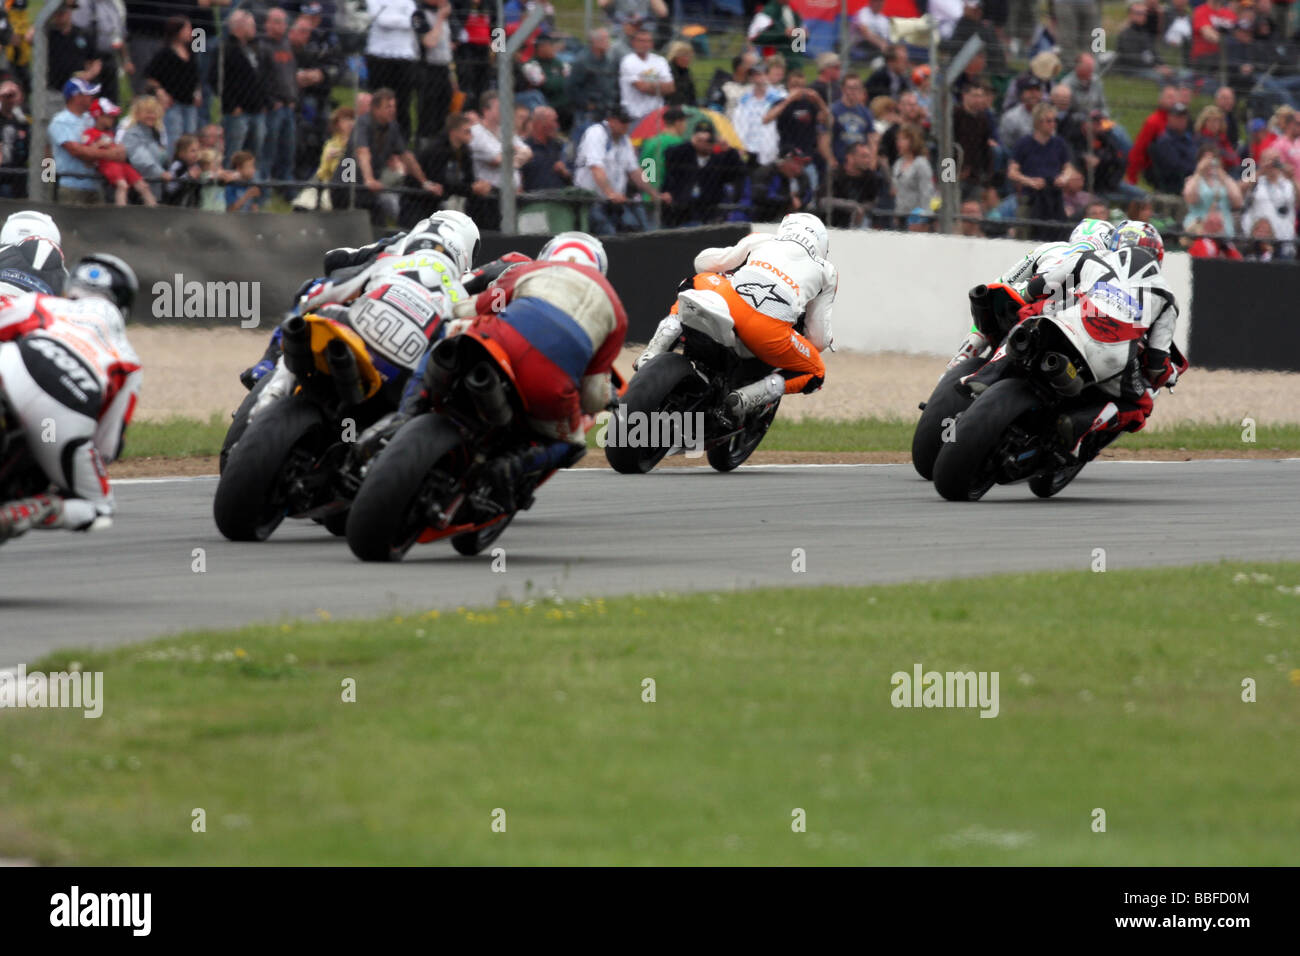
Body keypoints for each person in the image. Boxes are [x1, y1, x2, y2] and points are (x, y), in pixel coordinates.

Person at [427, 235, 627, 508]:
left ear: (548, 253)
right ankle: (513, 466)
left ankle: (407, 412)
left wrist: (448, 315)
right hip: (548, 381)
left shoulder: (526, 268)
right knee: (574, 442)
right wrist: (602, 398)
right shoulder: (615, 309)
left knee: (447, 337)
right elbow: (592, 394)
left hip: (497, 343)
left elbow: (475, 308)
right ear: (599, 268)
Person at [635, 213, 836, 421]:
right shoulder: (827, 271)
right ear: (821, 245)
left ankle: (653, 350)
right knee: (816, 372)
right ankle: (745, 398)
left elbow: (704, 262)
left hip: (729, 303)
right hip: (769, 331)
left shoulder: (762, 238)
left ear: (785, 228)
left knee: (696, 281)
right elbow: (818, 340)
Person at [0, 253, 141, 542]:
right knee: (100, 508)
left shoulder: (41, 303)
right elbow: (105, 448)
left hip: (13, 366)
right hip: (67, 411)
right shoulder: (128, 360)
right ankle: (23, 511)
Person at [573, 105, 661, 234]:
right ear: (611, 120)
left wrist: (654, 194)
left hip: (615, 202)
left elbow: (634, 171)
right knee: (608, 233)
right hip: (591, 201)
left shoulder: (625, 140)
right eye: (623, 121)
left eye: (628, 121)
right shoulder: (596, 133)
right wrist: (611, 193)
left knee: (633, 229)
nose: (626, 125)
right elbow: (596, 168)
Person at [660, 120, 746, 227]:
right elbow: (668, 155)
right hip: (681, 211)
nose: (705, 144)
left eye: (709, 141)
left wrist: (730, 151)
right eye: (700, 140)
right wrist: (690, 144)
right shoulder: (685, 154)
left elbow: (739, 172)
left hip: (708, 211)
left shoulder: (718, 160)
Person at [618, 27, 673, 124]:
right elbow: (642, 88)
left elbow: (671, 88)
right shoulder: (628, 61)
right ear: (633, 42)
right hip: (634, 115)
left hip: (656, 116)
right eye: (641, 41)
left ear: (652, 43)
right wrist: (659, 85)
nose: (645, 44)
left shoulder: (660, 61)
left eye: (648, 41)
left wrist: (649, 85)